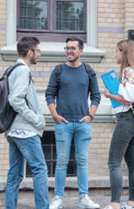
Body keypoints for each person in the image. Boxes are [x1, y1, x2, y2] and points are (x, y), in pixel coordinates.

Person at [45, 37, 101, 209]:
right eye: (67, 48)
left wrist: (91, 115)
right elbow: (49, 94)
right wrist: (54, 114)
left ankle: (84, 198)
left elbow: (96, 95)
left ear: (81, 51)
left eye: (73, 48)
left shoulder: (88, 71)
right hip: (63, 123)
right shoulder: (58, 70)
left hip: (83, 123)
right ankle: (58, 198)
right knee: (61, 161)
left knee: (82, 161)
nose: (69, 51)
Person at [5, 37, 49, 209]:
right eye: (38, 51)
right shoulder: (23, 70)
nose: (39, 54)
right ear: (30, 52)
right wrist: (34, 118)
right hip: (25, 130)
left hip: (13, 130)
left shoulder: (12, 69)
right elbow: (16, 99)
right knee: (40, 170)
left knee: (15, 175)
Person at [103, 39, 134, 209]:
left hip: (126, 120)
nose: (115, 54)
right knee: (133, 164)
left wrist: (109, 95)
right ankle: (132, 203)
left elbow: (128, 99)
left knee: (114, 163)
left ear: (124, 52)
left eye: (117, 51)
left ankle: (114, 205)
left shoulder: (128, 71)